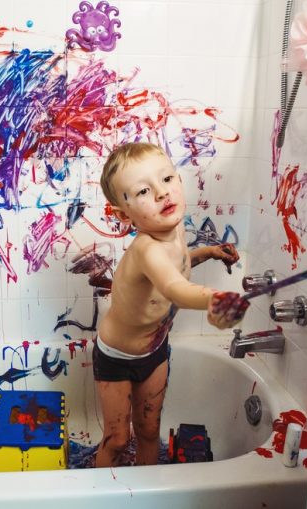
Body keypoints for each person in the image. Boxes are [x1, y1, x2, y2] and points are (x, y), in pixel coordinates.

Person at [95, 142, 249, 467]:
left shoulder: (174, 227)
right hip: (117, 356)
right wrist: (213, 298)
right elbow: (174, 286)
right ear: (124, 215)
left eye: (167, 179)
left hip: (154, 349)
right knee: (119, 438)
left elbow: (176, 265)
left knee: (149, 430)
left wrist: (206, 252)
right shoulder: (146, 250)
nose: (163, 193)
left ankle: (148, 494)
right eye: (143, 191)